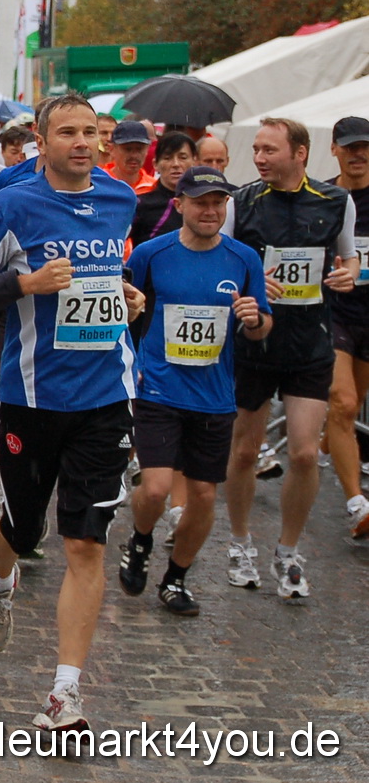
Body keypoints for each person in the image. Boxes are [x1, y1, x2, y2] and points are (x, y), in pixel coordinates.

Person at [0, 92, 145, 735]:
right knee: (24, 528)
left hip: (106, 397)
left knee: (86, 541)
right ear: (42, 139)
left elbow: (103, 276)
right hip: (33, 398)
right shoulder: (12, 205)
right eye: (68, 132)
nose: (83, 142)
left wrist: (124, 293)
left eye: (92, 132)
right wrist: (23, 284)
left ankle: (65, 694)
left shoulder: (119, 200)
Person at [121, 166, 270, 616]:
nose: (210, 210)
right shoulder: (151, 254)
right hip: (159, 389)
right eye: (201, 202)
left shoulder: (244, 259)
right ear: (180, 204)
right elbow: (122, 311)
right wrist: (132, 331)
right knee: (155, 488)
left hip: (214, 394)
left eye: (218, 202)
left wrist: (254, 319)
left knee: (204, 496)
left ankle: (176, 578)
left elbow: (262, 326)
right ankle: (141, 540)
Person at [221, 118, 358, 597]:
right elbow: (224, 258)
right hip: (256, 342)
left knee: (302, 452)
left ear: (300, 152)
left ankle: (288, 551)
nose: (259, 157)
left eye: (269, 149)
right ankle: (240, 543)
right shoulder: (242, 202)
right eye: (256, 149)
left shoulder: (336, 201)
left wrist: (348, 275)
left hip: (310, 343)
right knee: (243, 451)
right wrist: (252, 278)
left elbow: (349, 258)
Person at [325, 117, 369, 538]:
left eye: (366, 147)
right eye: (351, 146)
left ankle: (330, 440)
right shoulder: (324, 199)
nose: (359, 154)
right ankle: (358, 504)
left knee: (353, 408)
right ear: (333, 148)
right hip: (333, 313)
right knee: (343, 403)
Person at [131, 132, 198, 246]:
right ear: (155, 164)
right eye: (167, 158)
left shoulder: (204, 204)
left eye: (183, 157)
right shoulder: (140, 204)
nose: (176, 164)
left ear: (194, 162)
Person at [103, 119, 155, 190]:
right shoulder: (98, 182)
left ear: (147, 150)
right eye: (128, 149)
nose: (134, 155)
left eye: (139, 149)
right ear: (111, 149)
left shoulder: (153, 187)